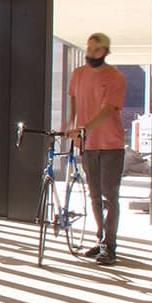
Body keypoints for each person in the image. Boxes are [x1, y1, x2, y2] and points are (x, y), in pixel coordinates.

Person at [65, 32, 127, 266]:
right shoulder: (78, 74)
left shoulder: (115, 77)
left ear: (105, 51)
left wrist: (84, 126)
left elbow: (108, 109)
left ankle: (109, 247)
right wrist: (71, 123)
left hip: (110, 144)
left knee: (109, 196)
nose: (91, 54)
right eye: (89, 49)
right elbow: (72, 97)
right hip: (87, 144)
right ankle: (100, 239)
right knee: (94, 196)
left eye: (96, 50)